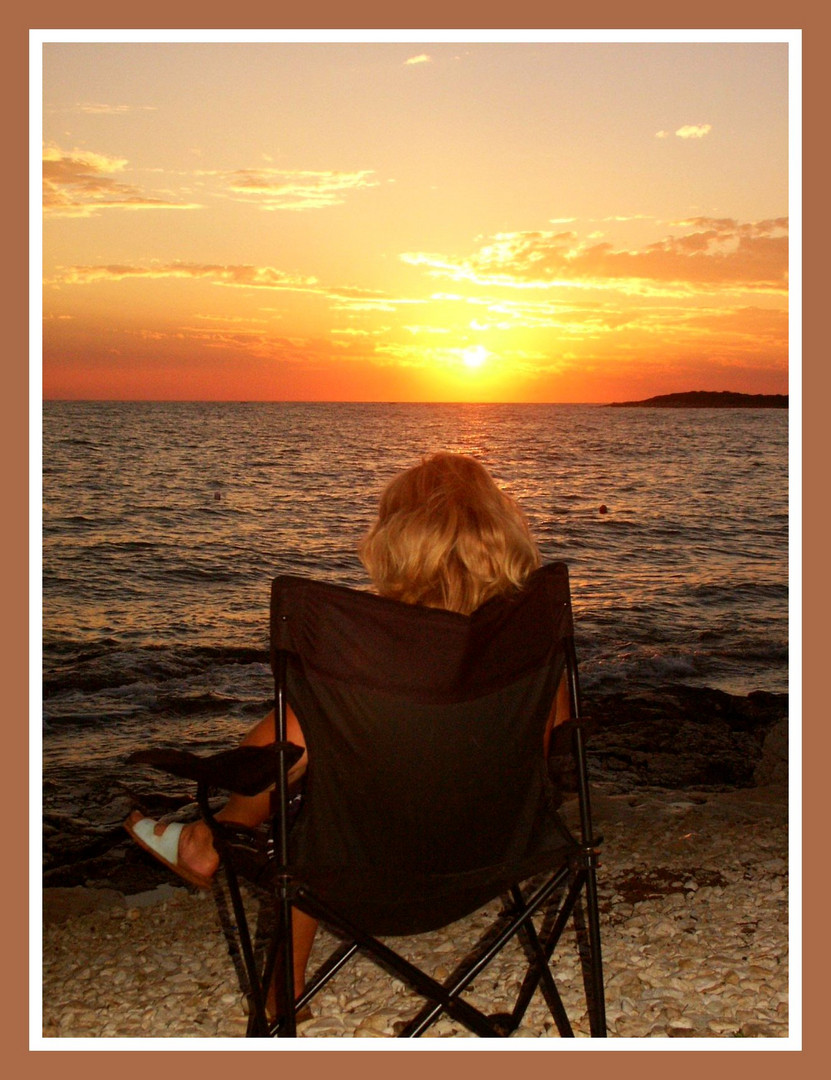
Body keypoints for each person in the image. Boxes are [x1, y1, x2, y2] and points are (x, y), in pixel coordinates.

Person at [125, 451, 569, 1008]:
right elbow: (559, 741)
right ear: (504, 534)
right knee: (326, 783)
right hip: (497, 859)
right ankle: (210, 841)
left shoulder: (365, 666)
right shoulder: (533, 651)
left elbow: (256, 762)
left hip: (362, 879)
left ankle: (208, 846)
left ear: (396, 543)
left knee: (302, 793)